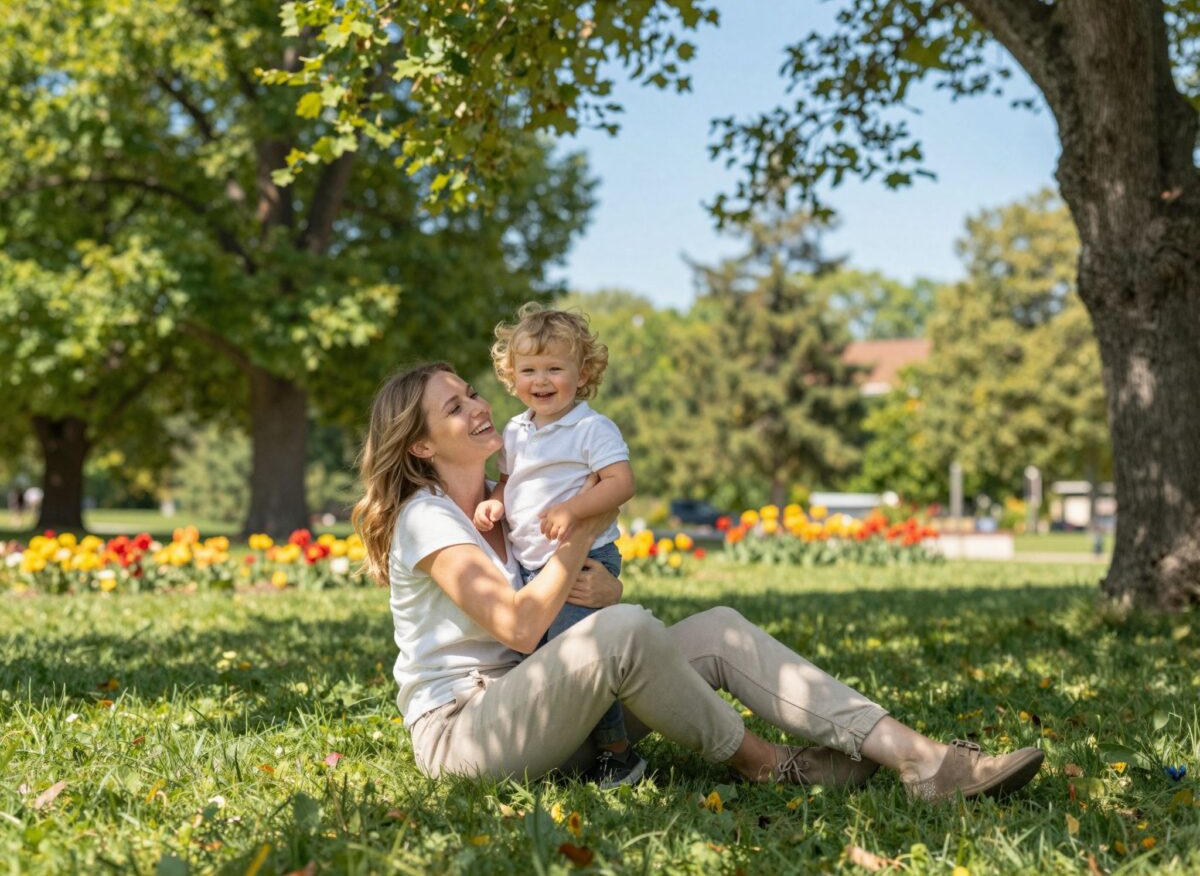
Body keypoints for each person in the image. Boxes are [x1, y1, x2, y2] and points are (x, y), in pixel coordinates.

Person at [353, 362, 1044, 801]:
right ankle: (769, 764)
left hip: (550, 712)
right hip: (468, 735)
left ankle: (923, 761)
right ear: (420, 445)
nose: (476, 406)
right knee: (625, 632)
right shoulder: (426, 518)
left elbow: (563, 615)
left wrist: (602, 589)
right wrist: (587, 524)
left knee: (716, 629)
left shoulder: (506, 502)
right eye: (453, 408)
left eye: (471, 392)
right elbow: (520, 624)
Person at [472, 303, 642, 788]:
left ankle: (618, 754)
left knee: (578, 659)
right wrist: (495, 502)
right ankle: (561, 746)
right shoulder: (515, 431)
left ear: (582, 374)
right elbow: (511, 481)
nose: (541, 380)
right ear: (512, 376)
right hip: (532, 566)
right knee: (538, 664)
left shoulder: (591, 428)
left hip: (583, 559)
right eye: (528, 370)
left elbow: (621, 483)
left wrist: (574, 508)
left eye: (554, 369)